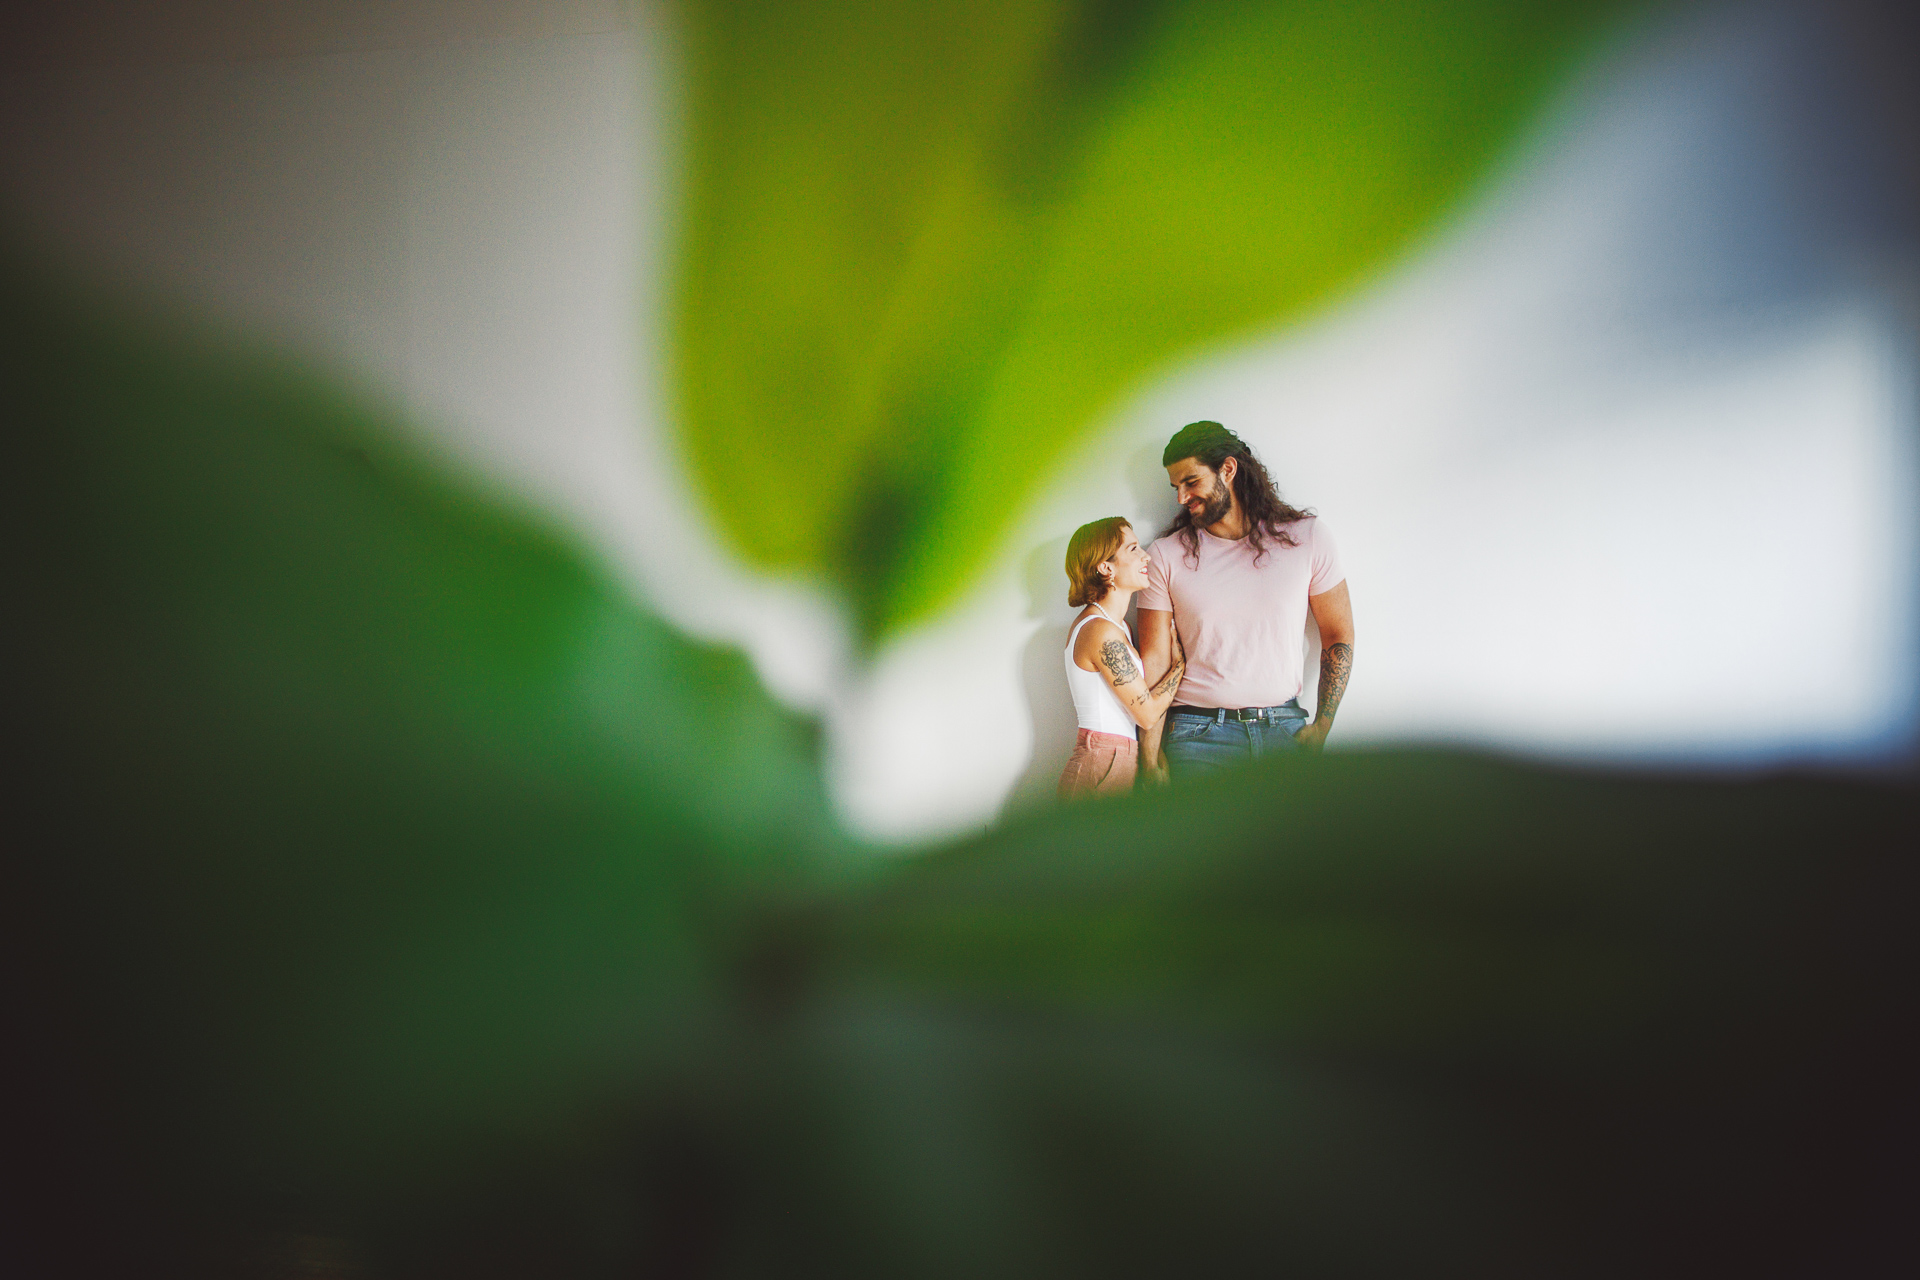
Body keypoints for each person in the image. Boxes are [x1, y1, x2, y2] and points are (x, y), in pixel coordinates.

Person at [1137, 421, 1353, 779]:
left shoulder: (1307, 538)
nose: (1181, 497)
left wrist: (1323, 727)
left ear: (1228, 469)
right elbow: (1155, 662)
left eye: (1191, 482)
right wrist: (1149, 756)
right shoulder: (1164, 555)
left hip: (1286, 730)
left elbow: (1337, 633)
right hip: (1197, 734)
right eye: (1175, 487)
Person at [1057, 517, 1186, 798]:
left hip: (1114, 758)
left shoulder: (1118, 627)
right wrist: (1180, 665)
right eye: (1133, 549)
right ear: (1105, 567)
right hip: (1102, 761)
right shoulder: (1100, 631)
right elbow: (1148, 714)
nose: (1146, 556)